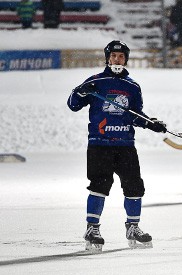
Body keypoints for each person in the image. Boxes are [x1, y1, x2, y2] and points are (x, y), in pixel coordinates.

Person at [67, 40, 168, 251]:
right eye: (113, 56)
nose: (117, 59)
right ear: (107, 58)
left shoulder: (132, 86)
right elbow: (72, 104)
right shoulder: (96, 81)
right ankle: (92, 228)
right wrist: (81, 91)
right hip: (99, 144)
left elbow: (136, 115)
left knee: (134, 186)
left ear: (126, 59)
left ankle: (133, 227)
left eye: (121, 56)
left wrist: (152, 124)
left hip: (125, 145)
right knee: (99, 186)